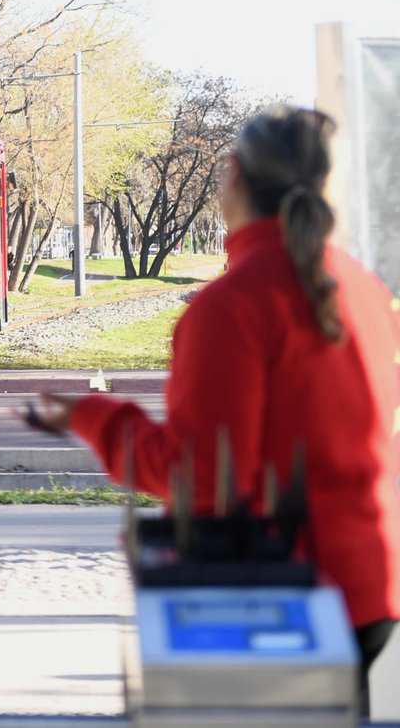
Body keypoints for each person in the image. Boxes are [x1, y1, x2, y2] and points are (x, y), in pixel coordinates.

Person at [22, 106, 400, 713]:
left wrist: (91, 417)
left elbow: (202, 483)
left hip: (280, 595)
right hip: (370, 589)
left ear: (236, 179)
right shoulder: (365, 288)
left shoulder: (234, 306)